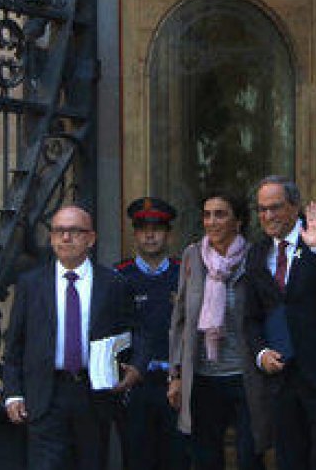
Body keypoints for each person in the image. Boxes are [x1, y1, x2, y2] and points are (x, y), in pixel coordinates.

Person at [3, 204, 145, 470]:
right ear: (51, 238)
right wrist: (13, 393)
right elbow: (15, 344)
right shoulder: (31, 284)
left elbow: (137, 331)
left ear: (91, 239)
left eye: (74, 231)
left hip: (93, 396)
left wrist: (136, 368)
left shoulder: (113, 283)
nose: (65, 238)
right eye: (59, 231)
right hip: (45, 396)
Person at [244, 175, 316, 470]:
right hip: (282, 381)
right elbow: (251, 317)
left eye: (275, 207)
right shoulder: (257, 254)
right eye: (262, 209)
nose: (268, 216)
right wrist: (261, 353)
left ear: (295, 207)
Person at [168, 191, 271, 470]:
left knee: (250, 456)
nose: (212, 221)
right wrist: (175, 374)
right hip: (203, 377)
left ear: (238, 221)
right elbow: (180, 319)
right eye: (207, 215)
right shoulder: (192, 256)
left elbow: (267, 314)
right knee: (205, 458)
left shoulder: (255, 257)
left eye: (220, 214)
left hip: (246, 375)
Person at [116, 197, 188, 470]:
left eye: (157, 229)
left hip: (177, 383)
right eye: (143, 229)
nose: (150, 235)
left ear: (169, 235)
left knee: (177, 459)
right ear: (134, 234)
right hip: (136, 384)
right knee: (137, 458)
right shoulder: (119, 276)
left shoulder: (185, 273)